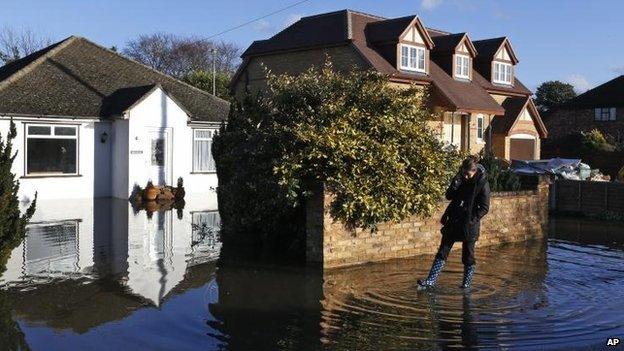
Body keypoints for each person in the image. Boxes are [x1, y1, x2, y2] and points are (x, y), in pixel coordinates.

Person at [418, 155, 491, 289]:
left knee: (468, 255)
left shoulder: (482, 183)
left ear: (474, 172)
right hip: (454, 219)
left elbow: (484, 208)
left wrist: (471, 220)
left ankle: (466, 284)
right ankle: (430, 281)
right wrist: (455, 182)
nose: (466, 177)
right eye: (464, 173)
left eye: (468, 174)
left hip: (470, 224)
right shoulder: (460, 179)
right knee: (443, 250)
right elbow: (449, 196)